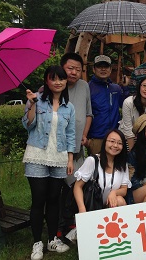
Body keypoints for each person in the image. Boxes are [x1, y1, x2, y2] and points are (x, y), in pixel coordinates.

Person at [22, 65, 75, 260]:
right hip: (37, 154)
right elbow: (28, 125)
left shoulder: (69, 107)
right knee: (39, 200)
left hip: (59, 157)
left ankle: (52, 239)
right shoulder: (37, 100)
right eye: (53, 79)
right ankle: (37, 243)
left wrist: (70, 159)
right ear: (47, 80)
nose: (58, 82)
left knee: (54, 200)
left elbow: (71, 134)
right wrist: (33, 104)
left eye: (61, 79)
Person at [66, 129, 131, 242]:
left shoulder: (122, 165)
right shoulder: (93, 160)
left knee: (120, 200)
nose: (115, 145)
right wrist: (82, 210)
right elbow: (78, 186)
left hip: (109, 207)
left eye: (119, 143)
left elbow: (124, 190)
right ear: (105, 142)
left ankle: (117, 238)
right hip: (92, 208)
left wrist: (114, 192)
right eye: (112, 141)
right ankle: (82, 229)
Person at [57, 52, 93, 240]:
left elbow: (88, 113)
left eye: (78, 69)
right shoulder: (53, 86)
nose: (74, 72)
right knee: (61, 186)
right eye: (70, 68)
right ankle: (59, 226)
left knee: (78, 185)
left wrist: (85, 134)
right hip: (57, 150)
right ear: (62, 67)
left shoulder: (84, 86)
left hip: (78, 147)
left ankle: (72, 222)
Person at [87, 55, 127, 155]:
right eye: (100, 66)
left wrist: (125, 88)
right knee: (96, 169)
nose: (103, 69)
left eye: (106, 66)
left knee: (113, 168)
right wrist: (87, 140)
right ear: (94, 69)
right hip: (96, 138)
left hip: (114, 137)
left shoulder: (116, 88)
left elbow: (126, 105)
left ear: (110, 69)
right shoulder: (88, 88)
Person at [119, 75, 146, 150]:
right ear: (139, 87)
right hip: (126, 137)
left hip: (145, 138)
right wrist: (133, 153)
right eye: (144, 86)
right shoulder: (128, 102)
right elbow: (128, 130)